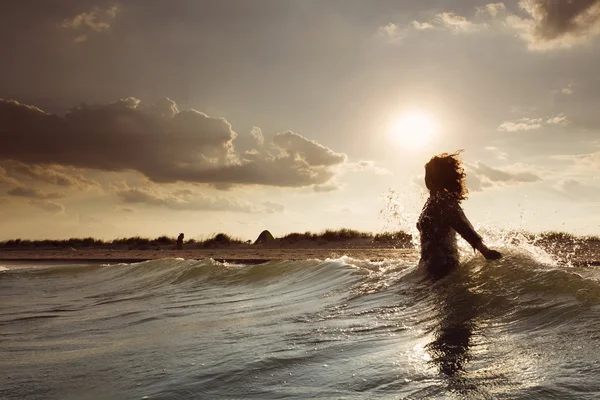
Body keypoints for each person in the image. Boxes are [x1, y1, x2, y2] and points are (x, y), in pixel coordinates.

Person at [417, 151, 501, 277]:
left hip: (443, 265)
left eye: (429, 174)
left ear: (437, 178)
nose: (426, 179)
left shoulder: (443, 200)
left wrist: (485, 251)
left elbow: (462, 225)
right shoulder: (432, 201)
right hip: (430, 264)